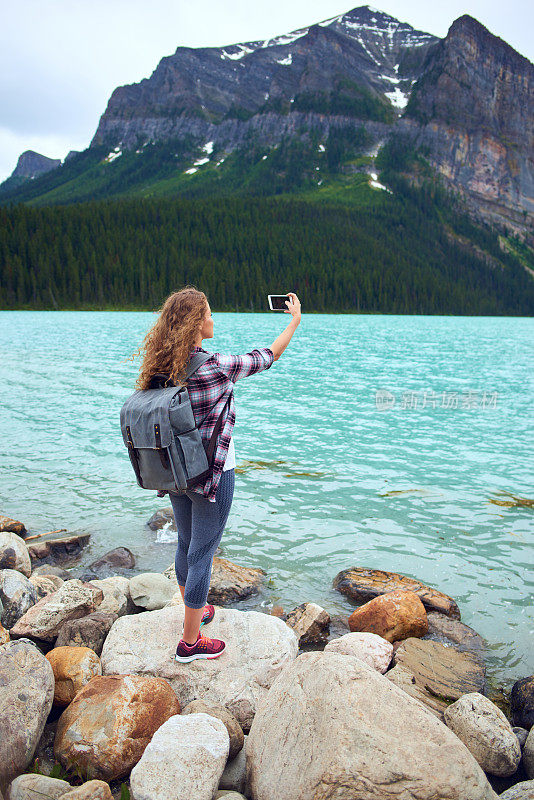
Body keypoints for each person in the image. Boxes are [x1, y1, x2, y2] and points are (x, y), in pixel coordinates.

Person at [133, 286, 301, 662]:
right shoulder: (214, 366)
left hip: (176, 471)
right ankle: (190, 643)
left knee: (185, 544)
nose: (214, 318)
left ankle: (192, 611)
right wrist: (294, 322)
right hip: (212, 474)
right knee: (204, 553)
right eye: (208, 313)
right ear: (196, 323)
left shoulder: (163, 367)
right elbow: (268, 356)